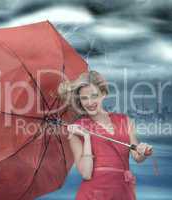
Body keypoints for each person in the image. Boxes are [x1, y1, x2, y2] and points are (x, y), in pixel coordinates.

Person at [58, 70, 153, 200]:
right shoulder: (77, 129)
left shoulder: (124, 121)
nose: (89, 102)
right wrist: (86, 137)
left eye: (94, 96)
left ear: (103, 94)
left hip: (124, 193)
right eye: (84, 98)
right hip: (93, 195)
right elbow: (86, 174)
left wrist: (144, 151)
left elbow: (137, 156)